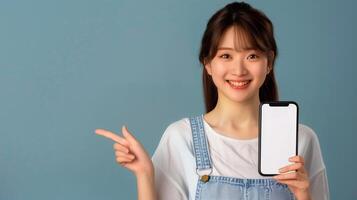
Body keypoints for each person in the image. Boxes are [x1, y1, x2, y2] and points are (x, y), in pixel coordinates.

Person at [95, 1, 330, 200]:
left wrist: (304, 195)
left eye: (252, 56)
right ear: (208, 64)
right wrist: (145, 174)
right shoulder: (181, 138)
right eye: (225, 55)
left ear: (268, 63)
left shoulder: (302, 140)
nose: (238, 70)